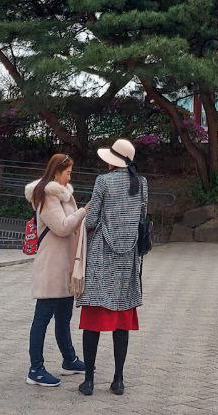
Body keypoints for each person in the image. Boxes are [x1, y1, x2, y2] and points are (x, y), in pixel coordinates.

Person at [76, 138, 146, 397]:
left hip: (102, 257)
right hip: (128, 257)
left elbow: (92, 218)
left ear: (112, 160)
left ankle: (89, 380)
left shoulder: (103, 182)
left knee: (93, 319)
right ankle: (118, 380)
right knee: (122, 321)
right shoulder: (142, 184)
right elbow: (141, 218)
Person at [23, 152, 88, 388]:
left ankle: (69, 359)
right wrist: (83, 211)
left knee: (64, 315)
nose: (71, 175)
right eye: (68, 172)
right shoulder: (47, 196)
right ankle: (35, 368)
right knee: (43, 316)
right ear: (57, 172)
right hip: (52, 265)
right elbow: (61, 227)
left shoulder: (63, 194)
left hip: (64, 264)